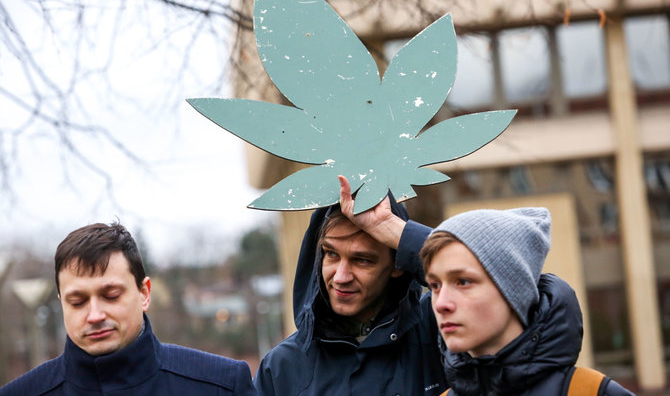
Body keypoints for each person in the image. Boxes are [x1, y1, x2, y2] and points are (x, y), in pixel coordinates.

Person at [0, 222, 257, 396]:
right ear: (61, 302)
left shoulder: (221, 386)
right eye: (77, 301)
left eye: (111, 295)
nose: (95, 315)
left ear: (144, 294)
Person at [254, 176, 448, 395]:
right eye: (331, 254)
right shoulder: (282, 367)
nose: (340, 277)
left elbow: (482, 275)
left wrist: (392, 228)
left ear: (398, 263)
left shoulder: (440, 329)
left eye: (362, 260)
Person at [420, 207, 635, 396]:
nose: (441, 304)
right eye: (435, 286)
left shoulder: (589, 391)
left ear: (513, 289)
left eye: (463, 282)